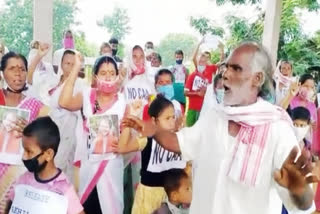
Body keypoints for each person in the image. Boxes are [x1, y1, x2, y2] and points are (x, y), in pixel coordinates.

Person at [123, 42, 318, 214]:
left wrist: (300, 191)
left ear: (257, 79)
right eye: (226, 67)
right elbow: (180, 142)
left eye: (236, 69)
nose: (225, 74)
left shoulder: (278, 129)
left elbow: (303, 204)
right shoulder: (215, 116)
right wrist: (154, 131)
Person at [59, 55, 126, 214]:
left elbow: (127, 137)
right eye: (103, 73)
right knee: (88, 206)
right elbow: (64, 102)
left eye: (111, 72)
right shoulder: (87, 95)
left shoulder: (123, 101)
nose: (108, 76)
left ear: (117, 76)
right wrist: (76, 67)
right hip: (89, 166)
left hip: (111, 167)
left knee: (110, 208)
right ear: (95, 76)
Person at [114, 95, 186, 214]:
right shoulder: (147, 138)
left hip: (173, 198)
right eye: (167, 118)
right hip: (149, 198)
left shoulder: (180, 139)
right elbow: (122, 148)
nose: (172, 121)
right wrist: (128, 123)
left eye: (173, 117)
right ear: (154, 121)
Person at [0, 52, 49, 212]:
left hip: (21, 177)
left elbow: (48, 139)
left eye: (22, 69)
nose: (18, 73)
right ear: (2, 72)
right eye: (12, 68)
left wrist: (30, 132)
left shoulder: (37, 106)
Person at [5, 117, 84, 214]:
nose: (24, 157)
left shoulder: (64, 190)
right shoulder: (23, 179)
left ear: (48, 154)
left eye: (29, 151)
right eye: (24, 150)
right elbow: (10, 206)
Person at [184, 39, 223, 127]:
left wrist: (222, 49)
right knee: (190, 130)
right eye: (201, 58)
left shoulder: (210, 69)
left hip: (204, 107)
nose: (202, 60)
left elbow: (221, 63)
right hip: (192, 108)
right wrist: (199, 44)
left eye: (205, 58)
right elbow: (193, 58)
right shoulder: (193, 75)